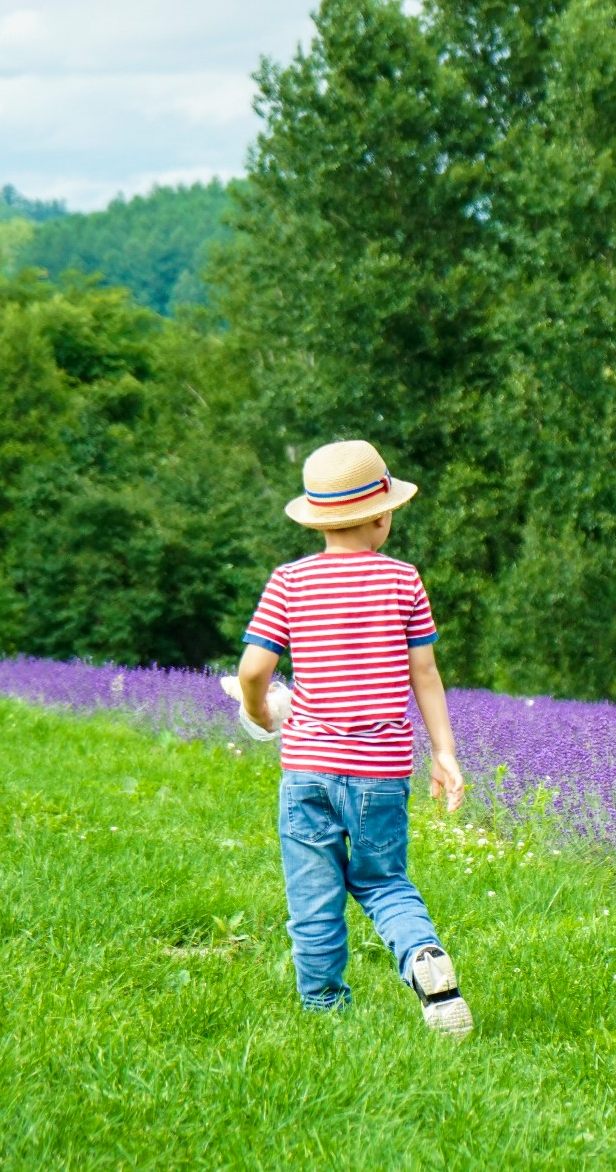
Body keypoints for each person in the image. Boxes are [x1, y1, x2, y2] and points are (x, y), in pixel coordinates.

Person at [235, 439, 473, 1037]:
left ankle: (321, 1009)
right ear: (380, 516)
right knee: (383, 880)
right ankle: (422, 954)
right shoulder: (404, 582)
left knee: (314, 894)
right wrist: (443, 754)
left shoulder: (289, 582)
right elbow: (426, 674)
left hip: (310, 768)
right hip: (380, 773)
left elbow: (253, 670)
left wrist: (262, 714)